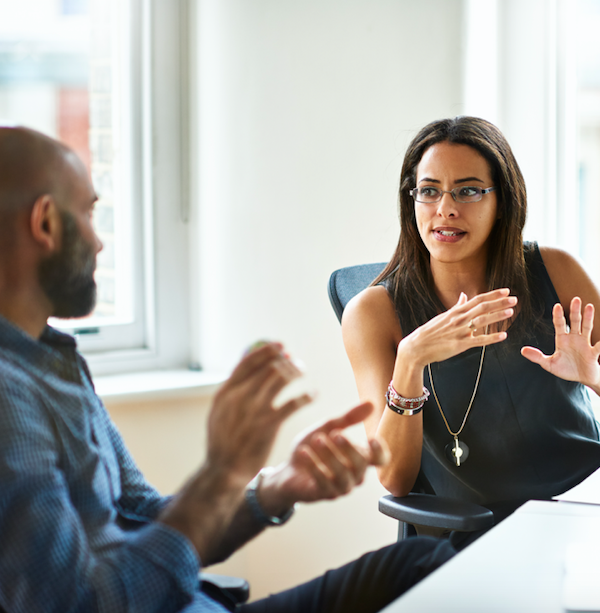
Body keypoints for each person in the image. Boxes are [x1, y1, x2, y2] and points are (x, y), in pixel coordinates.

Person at [0, 126, 454, 613]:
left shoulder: (54, 361)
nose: (98, 243)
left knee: (426, 562)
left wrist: (278, 487)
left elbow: (154, 523)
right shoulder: (9, 395)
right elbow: (78, 605)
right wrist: (221, 471)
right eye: (89, 214)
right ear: (46, 223)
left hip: (199, 602)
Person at [341, 116, 600, 548]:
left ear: (503, 200)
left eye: (469, 190)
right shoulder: (372, 313)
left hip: (595, 511)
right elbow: (394, 480)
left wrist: (598, 379)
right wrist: (411, 359)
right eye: (429, 190)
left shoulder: (556, 270)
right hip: (484, 536)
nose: (446, 208)